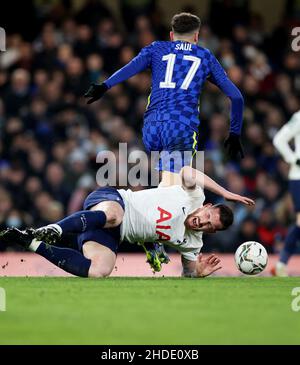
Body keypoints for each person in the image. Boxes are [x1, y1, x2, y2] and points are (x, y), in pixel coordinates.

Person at [0, 166, 254, 278]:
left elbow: (188, 271)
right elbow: (188, 172)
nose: (203, 223)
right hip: (112, 200)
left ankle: (30, 241)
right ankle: (52, 229)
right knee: (114, 215)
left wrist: (197, 272)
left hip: (114, 235)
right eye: (208, 217)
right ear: (206, 207)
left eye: (210, 227)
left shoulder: (192, 243)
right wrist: (226, 192)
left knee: (99, 271)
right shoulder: (193, 194)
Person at [84, 12, 245, 186]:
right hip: (180, 127)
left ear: (171, 35)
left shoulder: (157, 48)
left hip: (152, 128)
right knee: (176, 187)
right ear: (196, 37)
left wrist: (105, 86)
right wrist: (235, 133)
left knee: (177, 185)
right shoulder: (205, 57)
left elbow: (130, 68)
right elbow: (237, 98)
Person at [272, 110, 300, 276]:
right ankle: (281, 263)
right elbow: (279, 139)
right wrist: (293, 159)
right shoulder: (298, 117)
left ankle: (281, 263)